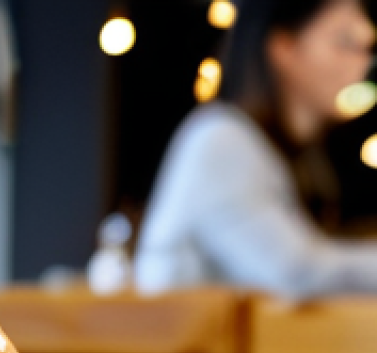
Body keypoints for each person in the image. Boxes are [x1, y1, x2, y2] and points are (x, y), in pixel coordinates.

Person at [136, 0, 377, 298]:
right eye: (345, 42)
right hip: (184, 343)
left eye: (367, 47)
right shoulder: (221, 138)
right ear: (284, 48)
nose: (362, 62)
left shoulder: (300, 158)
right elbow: (297, 273)